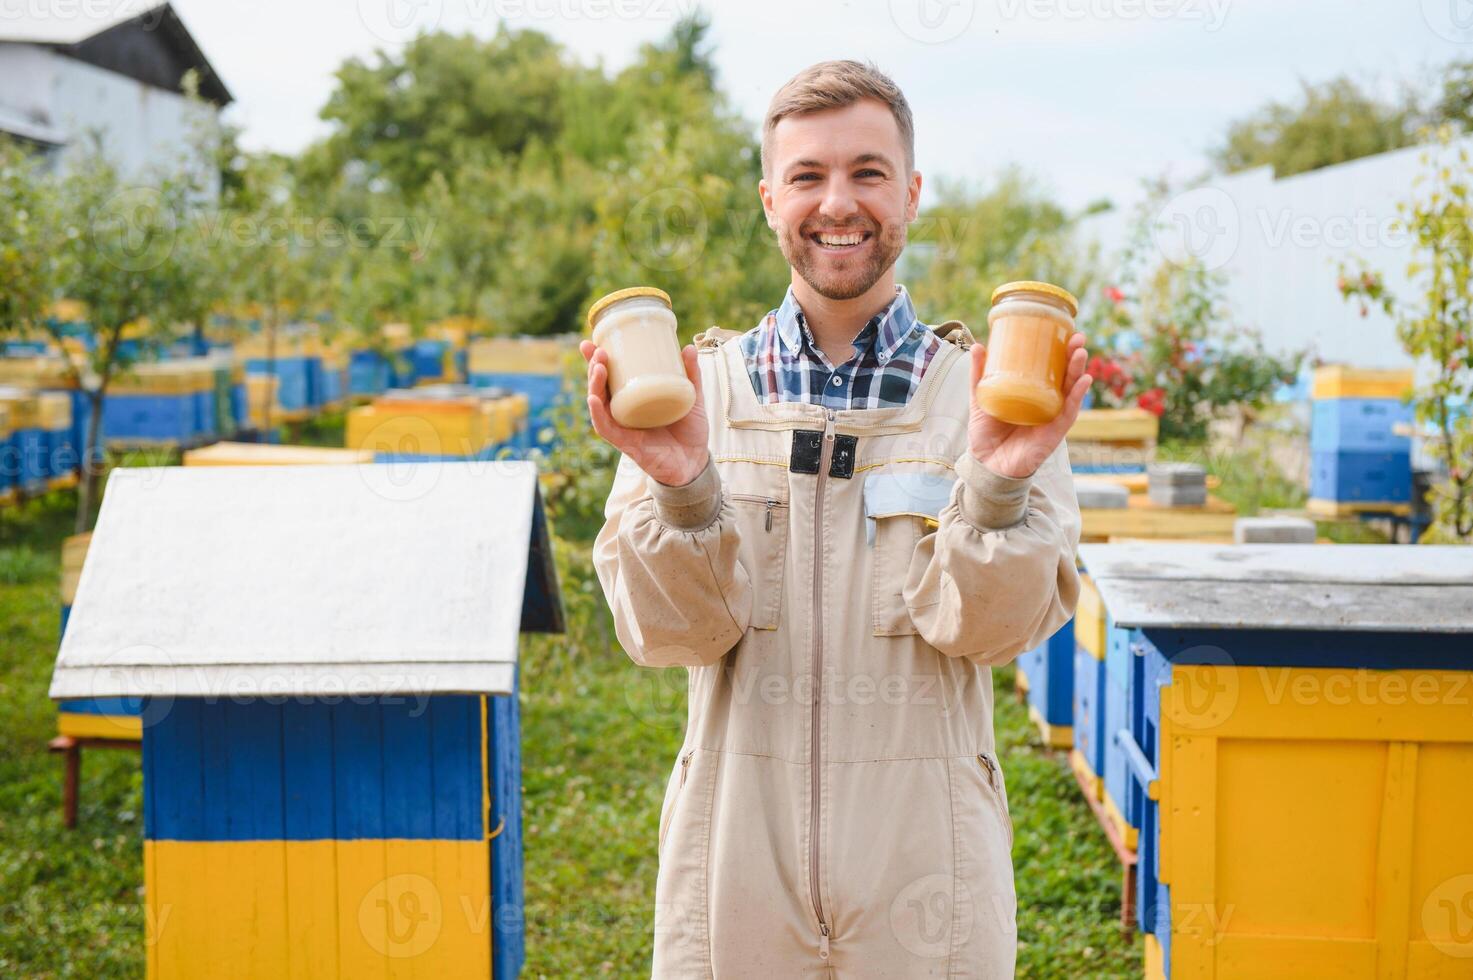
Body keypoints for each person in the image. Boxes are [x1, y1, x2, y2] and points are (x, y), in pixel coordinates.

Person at [585, 59, 1087, 978]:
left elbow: (993, 632)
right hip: (735, 867)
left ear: (911, 192)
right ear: (770, 197)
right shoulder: (695, 395)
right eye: (808, 176)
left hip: (928, 872)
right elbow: (669, 634)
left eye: (867, 171)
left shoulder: (994, 401)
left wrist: (996, 484)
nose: (838, 202)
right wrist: (684, 484)